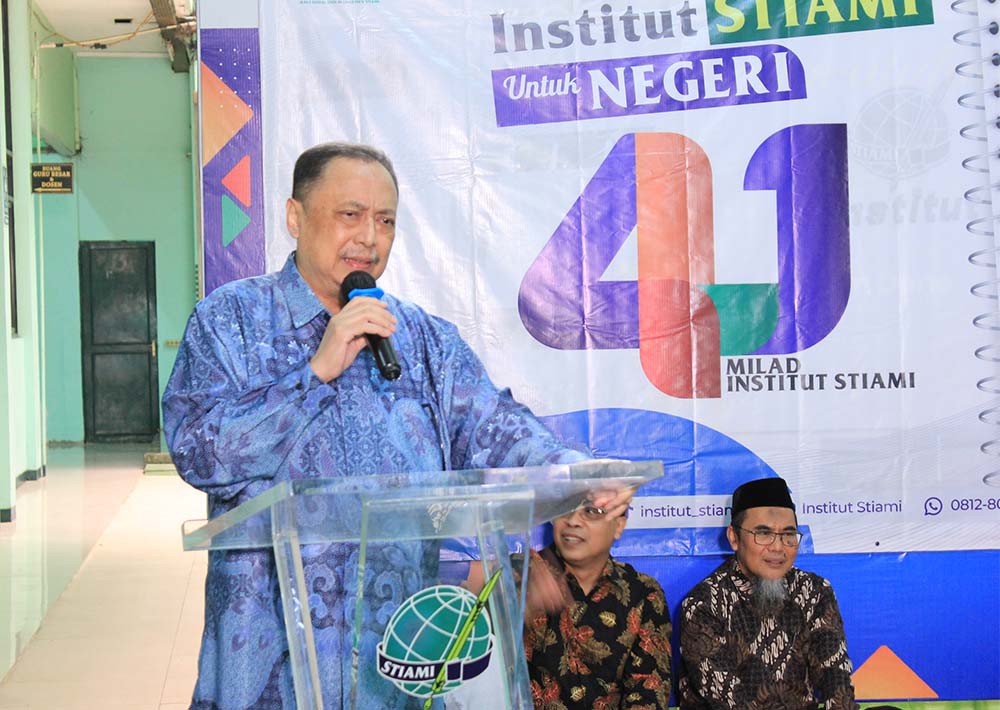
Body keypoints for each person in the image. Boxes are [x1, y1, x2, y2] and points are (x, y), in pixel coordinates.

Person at [162, 143, 629, 710]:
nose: (369, 237)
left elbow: (496, 425)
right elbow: (197, 452)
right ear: (294, 217)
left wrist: (575, 471)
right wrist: (314, 374)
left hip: (393, 666)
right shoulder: (229, 321)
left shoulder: (421, 340)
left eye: (385, 221)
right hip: (268, 663)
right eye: (350, 214)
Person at [678, 477, 858, 709]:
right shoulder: (704, 604)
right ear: (734, 538)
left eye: (788, 535)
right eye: (763, 533)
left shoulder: (814, 591)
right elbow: (729, 701)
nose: (777, 547)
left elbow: (835, 676)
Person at [522, 501, 672, 709]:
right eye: (564, 507)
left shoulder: (642, 593)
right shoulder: (516, 579)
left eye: (591, 511)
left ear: (618, 525)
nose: (573, 521)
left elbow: (648, 690)